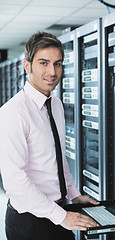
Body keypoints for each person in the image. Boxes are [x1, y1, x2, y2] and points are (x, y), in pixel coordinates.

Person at [0, 31, 99, 240]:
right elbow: (15, 181)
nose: (52, 71)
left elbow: (58, 156)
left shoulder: (56, 105)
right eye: (43, 63)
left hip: (58, 211)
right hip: (29, 220)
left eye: (58, 63)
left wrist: (74, 194)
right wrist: (61, 217)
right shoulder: (13, 112)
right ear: (28, 66)